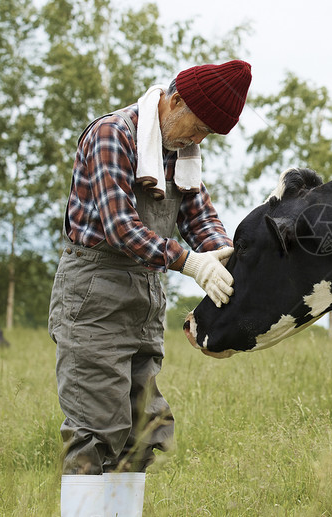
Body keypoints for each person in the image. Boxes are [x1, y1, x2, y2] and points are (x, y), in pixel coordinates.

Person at [48, 60, 252, 517]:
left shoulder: (181, 151)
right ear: (175, 101)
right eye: (197, 128)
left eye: (206, 137)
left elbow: (198, 215)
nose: (197, 141)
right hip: (92, 298)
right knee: (95, 430)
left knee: (142, 430)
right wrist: (188, 262)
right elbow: (121, 226)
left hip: (143, 299)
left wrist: (223, 257)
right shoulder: (112, 136)